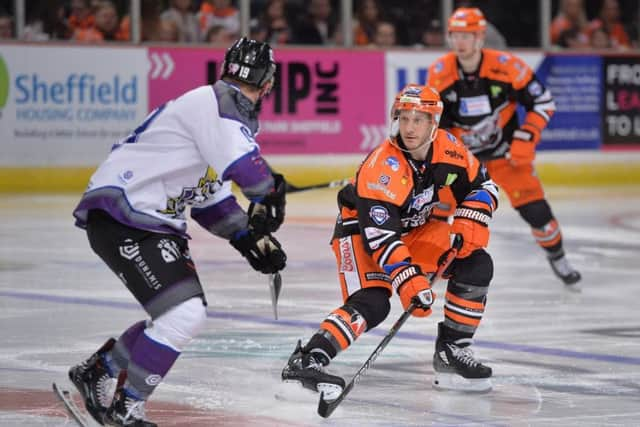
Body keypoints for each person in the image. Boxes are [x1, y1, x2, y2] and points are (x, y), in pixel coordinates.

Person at [68, 38, 287, 426]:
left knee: (176, 315)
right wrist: (270, 192)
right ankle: (127, 406)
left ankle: (100, 370)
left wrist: (249, 240)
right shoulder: (220, 107)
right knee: (183, 315)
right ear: (269, 83)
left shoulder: (218, 113)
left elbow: (210, 199)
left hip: (142, 220)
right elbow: (251, 176)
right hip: (127, 215)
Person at [282, 84, 500, 397]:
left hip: (415, 230)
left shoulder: (450, 149)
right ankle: (307, 360)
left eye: (419, 120)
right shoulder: (382, 168)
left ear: (433, 124)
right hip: (360, 233)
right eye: (404, 118)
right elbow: (381, 240)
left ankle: (451, 350)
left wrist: (472, 215)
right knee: (373, 302)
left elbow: (485, 184)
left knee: (476, 263)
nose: (409, 128)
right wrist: (409, 281)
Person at [427, 7, 581, 287]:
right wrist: (444, 156)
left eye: (467, 35)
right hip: (465, 163)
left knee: (538, 214)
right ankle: (428, 263)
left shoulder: (508, 67)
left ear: (480, 38)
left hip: (506, 158)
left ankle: (557, 256)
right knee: (437, 210)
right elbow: (437, 123)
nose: (460, 42)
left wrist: (527, 135)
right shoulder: (439, 73)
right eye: (455, 36)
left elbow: (543, 102)